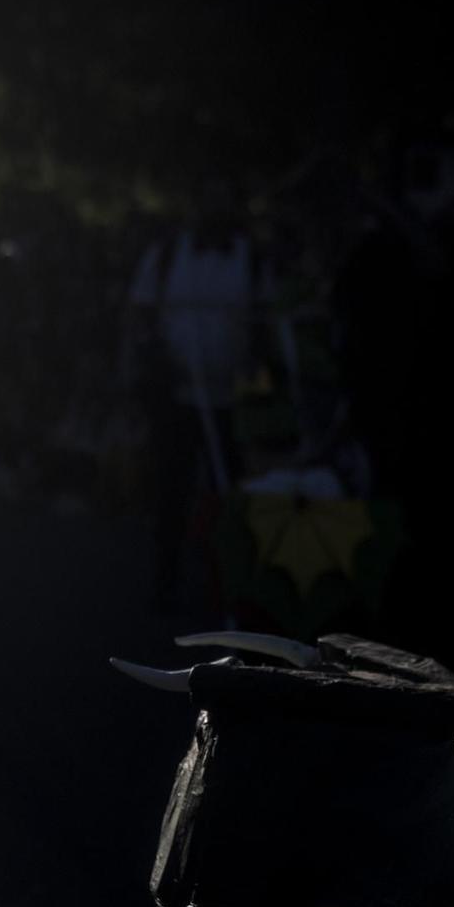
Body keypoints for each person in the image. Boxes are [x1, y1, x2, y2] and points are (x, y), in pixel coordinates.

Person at [123, 177, 268, 610]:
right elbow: (140, 311)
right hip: (175, 396)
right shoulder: (169, 256)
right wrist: (155, 357)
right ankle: (165, 576)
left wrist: (251, 368)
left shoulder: (250, 259)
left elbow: (265, 323)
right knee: (171, 488)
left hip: (229, 400)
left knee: (229, 490)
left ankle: (229, 579)